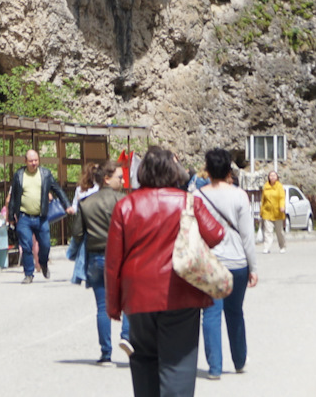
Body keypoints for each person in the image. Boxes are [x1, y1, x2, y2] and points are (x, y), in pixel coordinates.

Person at [107, 145, 226, 396]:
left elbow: (113, 262)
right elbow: (216, 234)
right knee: (178, 365)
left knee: (143, 360)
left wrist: (113, 305)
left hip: (138, 295)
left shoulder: (126, 206)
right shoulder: (188, 202)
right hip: (180, 292)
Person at [197, 149, 259, 379]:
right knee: (235, 312)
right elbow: (247, 236)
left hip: (210, 263)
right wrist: (253, 268)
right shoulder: (239, 195)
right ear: (228, 169)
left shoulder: (197, 195)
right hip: (237, 263)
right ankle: (240, 360)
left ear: (208, 168)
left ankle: (214, 368)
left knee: (211, 313)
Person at [77, 165, 130, 364]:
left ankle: (105, 353)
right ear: (107, 178)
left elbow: (77, 233)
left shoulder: (86, 203)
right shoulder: (124, 201)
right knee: (128, 302)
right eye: (119, 177)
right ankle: (126, 337)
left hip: (96, 257)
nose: (123, 181)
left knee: (102, 307)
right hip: (121, 257)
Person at [9, 148, 68, 284]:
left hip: (41, 217)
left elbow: (57, 189)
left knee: (46, 244)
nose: (34, 163)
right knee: (26, 246)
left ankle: (43, 263)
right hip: (24, 217)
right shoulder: (19, 175)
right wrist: (12, 216)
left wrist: (67, 205)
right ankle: (29, 274)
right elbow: (13, 197)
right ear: (25, 161)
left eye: (36, 160)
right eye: (31, 161)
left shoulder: (45, 174)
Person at [70, 163, 104, 283]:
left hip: (93, 221)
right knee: (82, 247)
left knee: (84, 247)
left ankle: (80, 273)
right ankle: (80, 271)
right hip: (83, 220)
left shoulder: (99, 188)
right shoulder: (80, 189)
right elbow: (75, 205)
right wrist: (72, 209)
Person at [259, 170, 288, 252]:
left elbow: (282, 197)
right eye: (271, 175)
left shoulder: (279, 186)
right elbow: (263, 200)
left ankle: (282, 247)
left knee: (279, 232)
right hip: (267, 212)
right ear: (268, 177)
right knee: (268, 231)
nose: (272, 177)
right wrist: (261, 211)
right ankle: (266, 247)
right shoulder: (266, 187)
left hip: (278, 213)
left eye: (274, 175)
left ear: (277, 177)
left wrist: (282, 206)